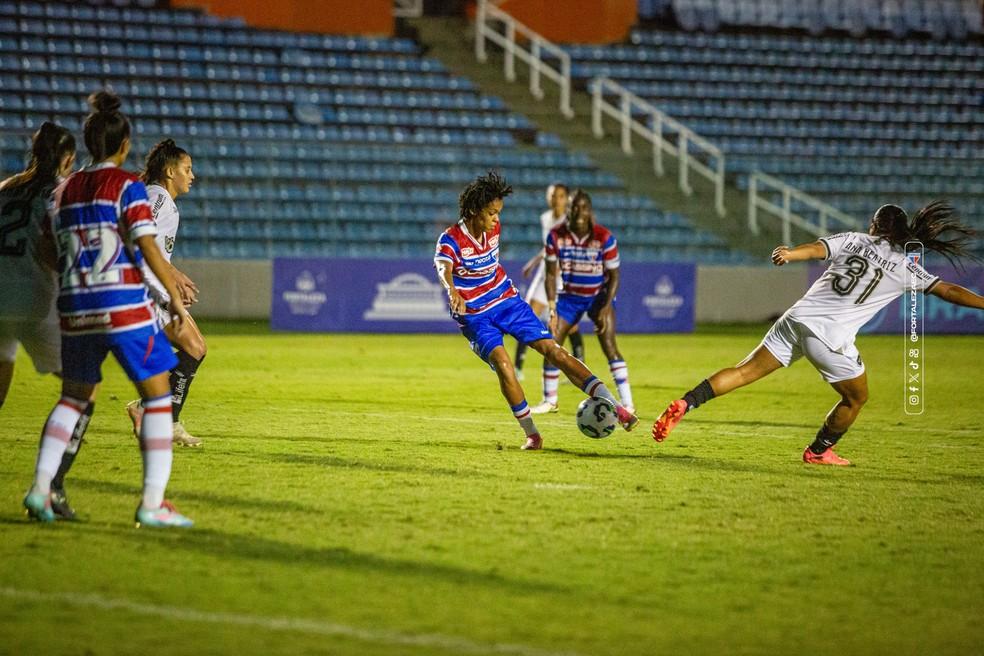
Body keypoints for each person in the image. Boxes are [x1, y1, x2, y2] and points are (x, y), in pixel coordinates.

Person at [652, 201, 984, 465]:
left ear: (874, 226)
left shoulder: (853, 239)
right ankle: (819, 450)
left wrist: (789, 253)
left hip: (796, 318)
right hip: (829, 335)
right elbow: (950, 291)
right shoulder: (905, 266)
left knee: (744, 371)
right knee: (856, 398)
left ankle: (686, 402)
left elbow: (814, 249)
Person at [23, 91, 193, 527]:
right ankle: (153, 504)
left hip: (75, 310)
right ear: (124, 146)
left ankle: (41, 491)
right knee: (157, 396)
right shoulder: (128, 187)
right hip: (123, 306)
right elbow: (147, 243)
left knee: (73, 398)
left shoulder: (63, 190)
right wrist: (172, 294)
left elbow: (44, 246)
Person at [433, 171, 639, 450]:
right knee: (504, 366)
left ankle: (617, 407)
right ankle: (532, 434)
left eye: (498, 213)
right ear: (474, 210)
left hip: (507, 301)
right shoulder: (451, 239)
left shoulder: (494, 228)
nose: (497, 219)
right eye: (492, 213)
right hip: (475, 316)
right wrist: (452, 289)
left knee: (554, 351)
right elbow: (444, 267)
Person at [0, 121, 93, 519]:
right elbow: (51, 248)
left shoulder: (5, 188)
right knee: (81, 390)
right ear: (68, 158)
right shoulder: (61, 191)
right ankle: (50, 488)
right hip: (36, 302)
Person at [125, 139, 205, 447]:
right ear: (170, 171)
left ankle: (149, 410)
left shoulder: (162, 201)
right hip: (145, 291)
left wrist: (175, 275)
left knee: (195, 348)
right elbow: (138, 240)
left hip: (154, 289)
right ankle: (161, 418)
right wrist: (171, 280)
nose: (192, 175)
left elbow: (154, 247)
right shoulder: (157, 198)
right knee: (195, 348)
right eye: (187, 169)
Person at [531, 189, 634, 415]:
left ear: (590, 211)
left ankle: (627, 403)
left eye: (583, 208)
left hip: (598, 296)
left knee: (609, 346)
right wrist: (551, 307)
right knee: (551, 343)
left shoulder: (604, 237)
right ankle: (550, 400)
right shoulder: (556, 236)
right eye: (573, 207)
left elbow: (614, 275)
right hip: (568, 297)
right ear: (567, 210)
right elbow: (549, 275)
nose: (578, 212)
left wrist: (605, 308)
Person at [513, 183, 583, 378]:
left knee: (570, 324)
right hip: (546, 273)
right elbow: (548, 247)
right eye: (553, 195)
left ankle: (580, 366)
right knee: (526, 316)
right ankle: (518, 367)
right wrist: (533, 263)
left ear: (566, 199)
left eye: (560, 196)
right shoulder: (545, 218)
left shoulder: (570, 222)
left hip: (564, 275)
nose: (556, 199)